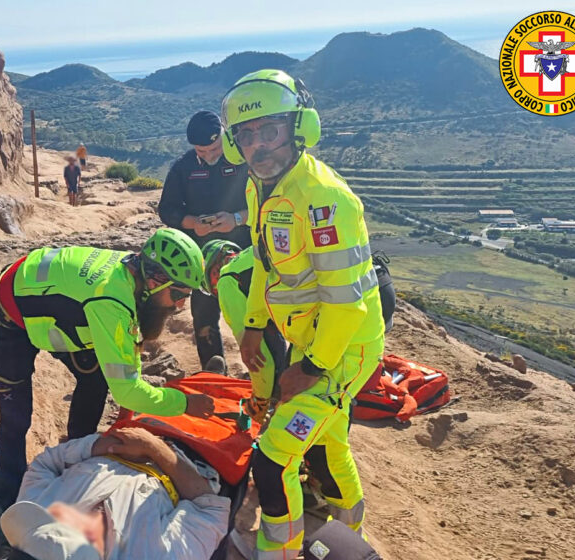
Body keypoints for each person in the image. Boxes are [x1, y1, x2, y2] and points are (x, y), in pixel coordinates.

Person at [220, 69, 384, 558]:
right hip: (312, 339)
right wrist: (253, 326)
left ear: (297, 129)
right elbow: (266, 266)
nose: (257, 146)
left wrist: (309, 368)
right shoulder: (260, 188)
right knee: (329, 442)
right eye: (246, 136)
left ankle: (280, 552)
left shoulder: (325, 200)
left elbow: (346, 301)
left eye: (268, 131)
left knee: (272, 461)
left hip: (342, 347)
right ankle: (351, 532)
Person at [0, 228, 215, 507]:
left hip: (53, 304)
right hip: (5, 312)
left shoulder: (131, 273)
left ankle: (77, 454)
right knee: (17, 413)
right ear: (155, 280)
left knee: (95, 380)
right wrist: (185, 403)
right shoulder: (111, 300)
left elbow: (130, 344)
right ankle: (11, 494)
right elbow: (126, 391)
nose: (180, 304)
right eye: (177, 293)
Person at [0, 427, 230, 560]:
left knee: (178, 391)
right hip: (195, 456)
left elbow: (47, 463)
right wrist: (155, 449)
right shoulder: (154, 554)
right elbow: (210, 509)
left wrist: (105, 446)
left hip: (130, 433)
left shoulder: (35, 507)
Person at [158, 110, 250, 370]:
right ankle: (215, 375)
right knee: (204, 317)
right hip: (203, 258)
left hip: (244, 253)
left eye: (215, 148)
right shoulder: (184, 167)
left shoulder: (245, 158)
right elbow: (168, 209)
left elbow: (270, 203)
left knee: (254, 316)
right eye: (202, 151)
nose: (210, 156)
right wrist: (192, 224)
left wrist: (237, 218)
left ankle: (268, 381)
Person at [200, 240, 286, 423]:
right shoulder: (250, 254)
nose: (215, 290)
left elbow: (256, 355)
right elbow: (273, 338)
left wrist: (259, 402)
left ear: (212, 271)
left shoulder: (226, 281)